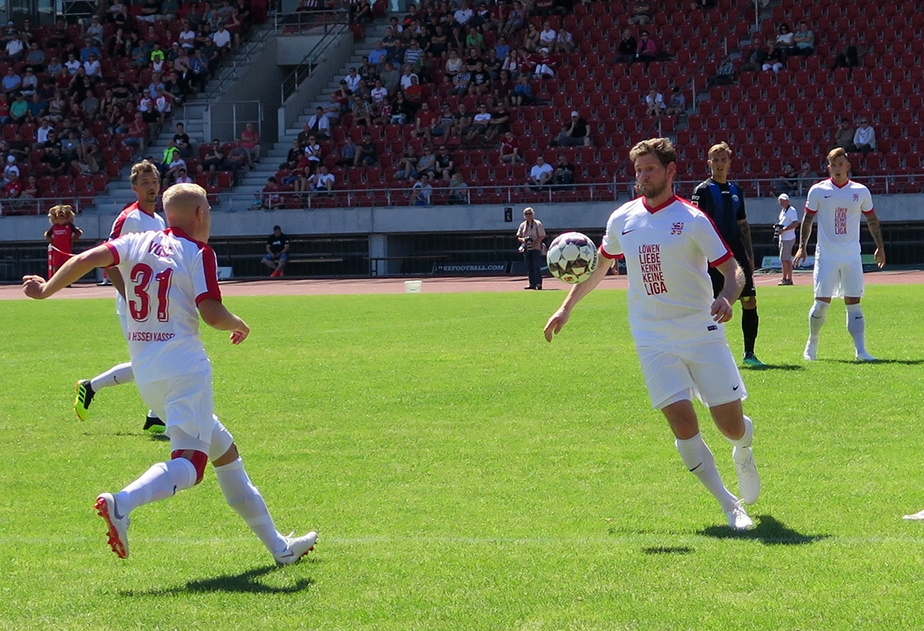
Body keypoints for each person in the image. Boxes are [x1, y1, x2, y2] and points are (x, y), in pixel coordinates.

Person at [23, 183, 317, 565]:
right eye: (208, 209)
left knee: (225, 454)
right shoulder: (198, 251)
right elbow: (212, 313)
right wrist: (238, 323)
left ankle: (280, 548)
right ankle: (121, 503)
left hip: (148, 374)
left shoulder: (137, 242)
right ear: (199, 214)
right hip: (185, 369)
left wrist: (46, 289)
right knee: (191, 465)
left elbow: (88, 258)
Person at [543, 137, 760, 531]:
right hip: (652, 337)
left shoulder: (693, 219)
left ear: (670, 171)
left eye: (650, 169)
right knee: (682, 425)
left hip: (701, 331)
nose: (642, 176)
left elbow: (733, 270)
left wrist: (728, 297)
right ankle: (730, 505)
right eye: (638, 170)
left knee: (730, 427)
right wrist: (566, 306)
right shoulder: (622, 219)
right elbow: (601, 265)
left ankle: (743, 450)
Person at [74, 161, 167, 432]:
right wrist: (128, 296)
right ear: (134, 187)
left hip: (152, 302)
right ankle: (92, 387)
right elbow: (108, 260)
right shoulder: (130, 218)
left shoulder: (159, 220)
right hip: (133, 304)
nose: (151, 187)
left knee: (158, 357)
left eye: (154, 182)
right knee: (151, 360)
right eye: (145, 183)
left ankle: (154, 416)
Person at [794, 148, 886, 362]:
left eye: (840, 164)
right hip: (826, 256)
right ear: (828, 167)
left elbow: (872, 220)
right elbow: (807, 220)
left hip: (851, 256)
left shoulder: (860, 191)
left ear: (848, 167)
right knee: (821, 303)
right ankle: (812, 343)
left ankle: (861, 351)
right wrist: (802, 246)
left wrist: (880, 247)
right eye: (833, 165)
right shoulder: (818, 191)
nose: (837, 169)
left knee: (854, 303)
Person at [690, 142, 765, 368]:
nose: (720, 164)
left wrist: (749, 255)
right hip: (712, 255)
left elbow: (743, 224)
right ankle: (707, 353)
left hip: (737, 255)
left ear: (730, 163)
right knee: (710, 304)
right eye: (716, 160)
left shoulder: (736, 191)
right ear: (709, 163)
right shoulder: (702, 191)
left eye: (723, 160)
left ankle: (749, 353)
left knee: (749, 300)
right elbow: (693, 224)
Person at [44, 204, 82, 278]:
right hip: (57, 250)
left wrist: (72, 240)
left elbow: (79, 232)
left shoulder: (69, 225)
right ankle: (56, 280)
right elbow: (47, 234)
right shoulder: (54, 227)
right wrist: (52, 241)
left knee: (67, 265)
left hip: (67, 249)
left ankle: (68, 280)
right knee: (56, 266)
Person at [516, 207, 546, 290]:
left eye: (530, 213)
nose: (528, 215)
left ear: (533, 214)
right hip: (526, 248)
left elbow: (542, 235)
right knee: (529, 267)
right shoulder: (522, 225)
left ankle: (538, 283)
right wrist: (524, 240)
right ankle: (531, 283)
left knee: (536, 266)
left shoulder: (537, 224)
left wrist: (534, 242)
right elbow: (518, 236)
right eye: (526, 214)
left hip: (536, 248)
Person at [775, 194, 800, 286]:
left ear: (788, 201)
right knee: (786, 259)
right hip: (783, 238)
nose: (781, 202)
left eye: (783, 200)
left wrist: (784, 229)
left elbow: (795, 223)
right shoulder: (783, 211)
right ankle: (788, 278)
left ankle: (786, 278)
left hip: (788, 238)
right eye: (780, 201)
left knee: (785, 259)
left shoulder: (792, 210)